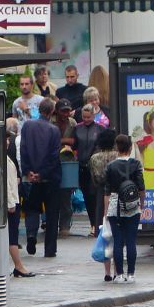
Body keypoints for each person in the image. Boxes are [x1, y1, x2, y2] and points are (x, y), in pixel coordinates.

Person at [20, 97, 62, 257]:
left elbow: (23, 149)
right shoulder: (54, 130)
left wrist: (28, 171)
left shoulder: (27, 126)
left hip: (31, 177)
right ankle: (50, 249)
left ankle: (31, 235)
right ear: (52, 111)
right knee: (52, 213)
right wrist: (42, 173)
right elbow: (53, 156)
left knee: (31, 208)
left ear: (39, 108)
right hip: (50, 178)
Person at [103, 134, 145, 283]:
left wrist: (106, 212)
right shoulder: (136, 164)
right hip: (132, 204)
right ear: (130, 147)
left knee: (118, 241)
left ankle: (119, 275)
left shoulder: (111, 166)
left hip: (115, 204)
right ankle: (131, 274)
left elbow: (107, 192)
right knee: (131, 240)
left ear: (116, 147)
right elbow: (141, 188)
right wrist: (142, 203)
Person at [5, 122, 34, 277]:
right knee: (12, 236)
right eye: (6, 139)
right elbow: (7, 185)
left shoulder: (6, 158)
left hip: (12, 199)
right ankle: (19, 266)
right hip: (11, 202)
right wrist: (10, 203)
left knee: (12, 235)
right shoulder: (3, 160)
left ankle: (18, 265)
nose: (8, 142)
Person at [73, 103, 103, 237]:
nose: (86, 120)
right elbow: (74, 145)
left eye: (88, 117)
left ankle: (97, 224)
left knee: (95, 196)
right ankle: (93, 223)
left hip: (95, 167)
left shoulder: (100, 129)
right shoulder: (77, 128)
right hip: (82, 166)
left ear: (93, 115)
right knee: (87, 197)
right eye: (84, 117)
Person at [89, 129, 118, 251]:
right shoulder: (118, 155)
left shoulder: (94, 158)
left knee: (102, 216)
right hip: (117, 189)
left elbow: (94, 178)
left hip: (102, 189)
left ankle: (103, 246)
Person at [53, 99, 77, 236]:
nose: (66, 113)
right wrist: (64, 141)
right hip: (53, 160)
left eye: (68, 110)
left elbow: (74, 141)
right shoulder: (51, 122)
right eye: (63, 110)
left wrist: (65, 142)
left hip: (68, 160)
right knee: (54, 195)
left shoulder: (72, 123)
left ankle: (65, 226)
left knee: (66, 195)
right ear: (57, 111)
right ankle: (52, 222)